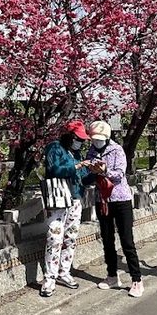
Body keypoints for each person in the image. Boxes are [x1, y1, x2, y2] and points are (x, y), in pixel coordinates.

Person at [86, 120, 144, 298]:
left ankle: (137, 279)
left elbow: (119, 174)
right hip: (102, 199)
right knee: (107, 238)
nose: (96, 142)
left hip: (120, 198)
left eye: (99, 139)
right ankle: (112, 275)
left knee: (127, 240)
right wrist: (91, 171)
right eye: (94, 139)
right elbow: (89, 175)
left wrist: (104, 171)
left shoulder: (117, 150)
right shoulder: (92, 151)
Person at [40, 120, 92, 297]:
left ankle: (64, 271)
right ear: (69, 136)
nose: (81, 142)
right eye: (78, 138)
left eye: (83, 140)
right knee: (54, 238)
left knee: (71, 237)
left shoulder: (77, 153)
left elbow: (83, 178)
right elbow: (54, 169)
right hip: (58, 200)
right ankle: (49, 278)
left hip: (75, 199)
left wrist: (94, 171)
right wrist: (76, 166)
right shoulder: (54, 148)